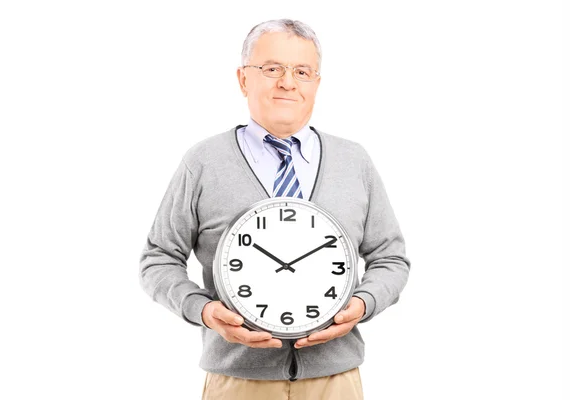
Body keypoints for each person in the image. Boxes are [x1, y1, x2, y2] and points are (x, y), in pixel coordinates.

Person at [139, 19, 411, 400]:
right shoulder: (203, 163)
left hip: (335, 380)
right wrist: (202, 310)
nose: (288, 82)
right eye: (272, 69)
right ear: (243, 79)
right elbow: (158, 258)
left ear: (317, 83)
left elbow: (390, 258)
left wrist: (363, 304)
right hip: (238, 381)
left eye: (302, 71)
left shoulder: (354, 162)